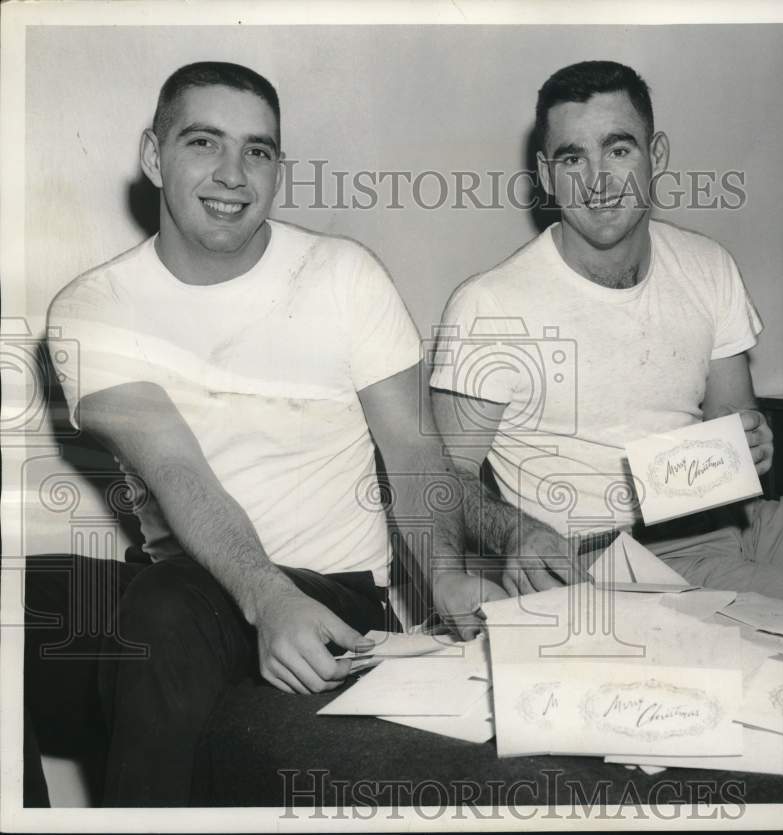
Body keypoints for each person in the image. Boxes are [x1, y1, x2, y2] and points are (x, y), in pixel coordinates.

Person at [25, 61, 502, 807]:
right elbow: (179, 472)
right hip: (211, 581)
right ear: (154, 155)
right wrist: (264, 597)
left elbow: (414, 451)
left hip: (334, 593)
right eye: (203, 143)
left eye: (258, 151)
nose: (233, 174)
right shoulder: (95, 306)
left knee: (163, 608)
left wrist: (442, 576)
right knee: (50, 598)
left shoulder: (342, 275)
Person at [429, 60, 783, 619]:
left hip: (733, 520)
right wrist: (519, 533)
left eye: (619, 150)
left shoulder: (707, 265)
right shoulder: (491, 305)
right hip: (612, 559)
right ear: (545, 174)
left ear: (656, 155)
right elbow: (439, 475)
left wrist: (752, 441)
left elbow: (735, 422)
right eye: (572, 157)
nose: (597, 181)